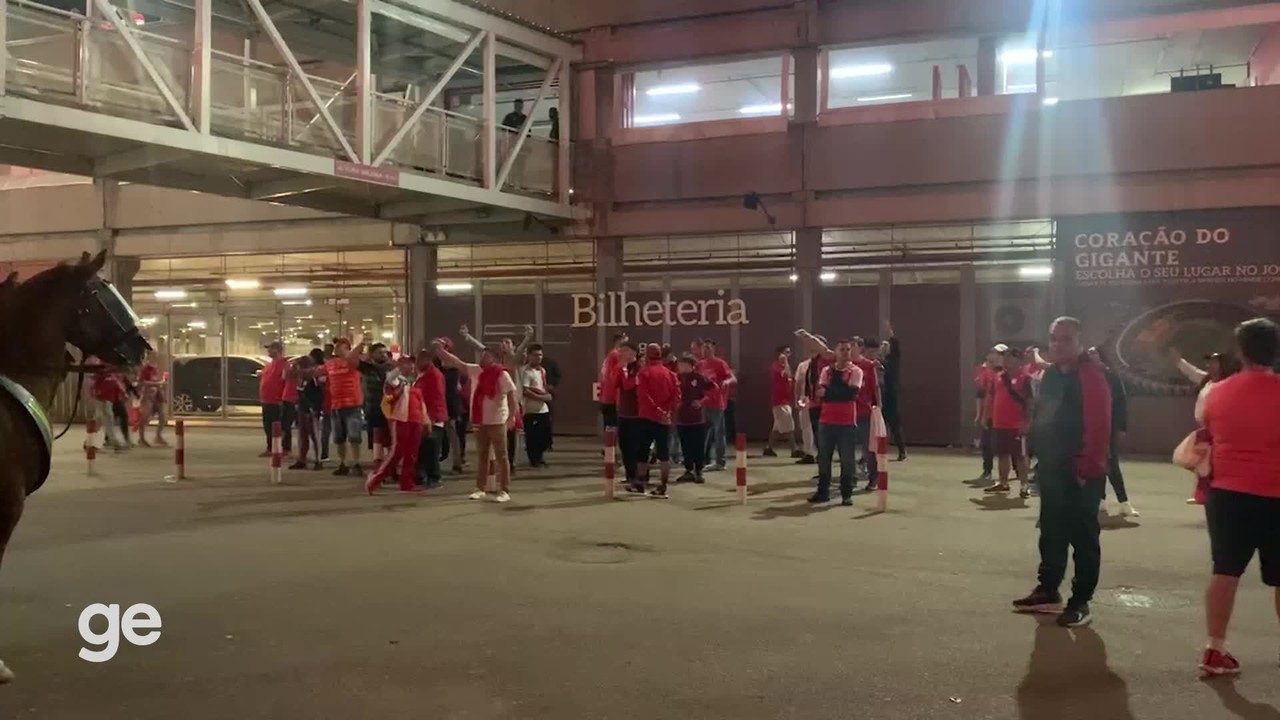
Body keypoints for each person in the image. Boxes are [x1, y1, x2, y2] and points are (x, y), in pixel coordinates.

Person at [1012, 317, 1111, 628]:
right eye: (1054, 339)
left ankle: (1081, 601)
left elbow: (1099, 424)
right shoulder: (1053, 374)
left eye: (1065, 339)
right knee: (1051, 532)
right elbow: (1044, 415)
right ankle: (1048, 590)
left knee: (1083, 537)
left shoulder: (1091, 375)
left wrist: (1087, 466)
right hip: (1052, 470)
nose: (1058, 344)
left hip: (1081, 471)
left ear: (1079, 341)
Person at [1196, 318, 1280, 677]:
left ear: (1241, 351)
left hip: (1227, 493)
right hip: (1276, 494)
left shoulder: (1217, 392)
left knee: (1225, 572)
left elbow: (1207, 430)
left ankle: (1215, 648)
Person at [433, 341, 519, 503]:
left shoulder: (501, 374)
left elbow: (512, 395)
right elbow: (456, 362)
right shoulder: (475, 370)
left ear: (493, 358)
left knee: (502, 456)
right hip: (480, 421)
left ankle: (504, 490)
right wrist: (440, 351)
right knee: (482, 456)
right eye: (482, 355)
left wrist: (511, 417)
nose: (482, 357)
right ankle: (480, 488)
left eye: (485, 355)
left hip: (497, 420)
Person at [461, 323, 532, 472]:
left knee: (513, 434)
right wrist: (467, 337)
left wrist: (528, 337)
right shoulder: (496, 361)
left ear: (512, 346)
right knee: (498, 435)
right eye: (502, 342)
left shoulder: (515, 360)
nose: (504, 345)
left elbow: (520, 351)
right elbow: (482, 349)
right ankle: (496, 463)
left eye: (507, 342)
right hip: (498, 403)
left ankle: (511, 463)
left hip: (513, 402)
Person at [1172, 349, 1236, 505]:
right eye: (1209, 362)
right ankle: (1202, 494)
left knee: (1208, 465)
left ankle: (1210, 494)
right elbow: (1191, 372)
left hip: (1218, 429)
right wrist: (1179, 361)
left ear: (1223, 365)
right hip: (1204, 428)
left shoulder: (1228, 383)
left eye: (1214, 362)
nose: (1210, 365)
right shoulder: (1206, 381)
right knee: (1197, 462)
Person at [809, 339, 863, 506]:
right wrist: (838, 392)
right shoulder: (827, 370)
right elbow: (820, 392)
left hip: (847, 422)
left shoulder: (856, 371)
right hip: (826, 420)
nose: (846, 352)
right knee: (824, 458)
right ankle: (822, 492)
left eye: (848, 349)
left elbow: (852, 394)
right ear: (836, 352)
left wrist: (830, 392)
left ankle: (846, 493)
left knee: (847, 459)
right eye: (842, 349)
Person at [364, 355, 425, 495]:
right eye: (407, 364)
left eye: (411, 364)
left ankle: (407, 483)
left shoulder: (415, 380)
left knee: (411, 454)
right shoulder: (395, 380)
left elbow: (420, 401)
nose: (410, 366)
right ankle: (375, 479)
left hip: (414, 419)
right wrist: (399, 368)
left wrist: (423, 419)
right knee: (396, 453)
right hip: (400, 419)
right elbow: (390, 378)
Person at [1089, 347, 1138, 518]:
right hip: (1091, 429)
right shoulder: (1086, 377)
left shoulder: (1111, 378)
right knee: (1097, 465)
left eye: (1094, 353)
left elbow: (1121, 404)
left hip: (1108, 428)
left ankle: (1124, 502)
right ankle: (1100, 501)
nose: (1091, 357)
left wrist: (1121, 427)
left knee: (1111, 464)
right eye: (1089, 354)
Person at [631, 344, 680, 498]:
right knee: (664, 452)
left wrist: (656, 409)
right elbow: (677, 396)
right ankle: (663, 484)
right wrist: (666, 411)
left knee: (643, 451)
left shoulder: (644, 373)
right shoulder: (671, 374)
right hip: (664, 419)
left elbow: (643, 396)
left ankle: (639, 481)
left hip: (647, 417)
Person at [984, 347, 1033, 497]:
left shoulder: (1025, 378)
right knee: (1002, 454)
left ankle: (1024, 486)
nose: (1005, 360)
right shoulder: (997, 376)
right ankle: (1003, 482)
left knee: (1020, 456)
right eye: (1004, 357)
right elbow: (990, 397)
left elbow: (1030, 401)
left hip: (1017, 424)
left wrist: (1028, 422)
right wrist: (986, 417)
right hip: (999, 423)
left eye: (1009, 357)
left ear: (1018, 360)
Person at [317, 337, 365, 477]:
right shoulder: (331, 364)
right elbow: (318, 372)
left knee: (354, 436)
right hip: (336, 406)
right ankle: (343, 463)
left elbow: (358, 355)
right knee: (339, 438)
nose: (337, 348)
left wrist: (360, 343)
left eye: (341, 346)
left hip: (352, 405)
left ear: (348, 348)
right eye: (336, 345)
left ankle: (356, 463)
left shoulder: (353, 362)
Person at [698, 340, 736, 471]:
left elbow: (732, 378)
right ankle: (703, 459)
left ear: (713, 349)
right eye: (704, 348)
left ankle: (720, 461)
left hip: (717, 402)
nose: (706, 350)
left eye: (708, 348)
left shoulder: (720, 363)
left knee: (719, 433)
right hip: (704, 403)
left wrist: (726, 382)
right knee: (703, 432)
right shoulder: (700, 364)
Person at [414, 347, 448, 489]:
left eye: (421, 358)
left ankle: (434, 476)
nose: (418, 361)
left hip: (433, 418)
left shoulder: (434, 375)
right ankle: (422, 475)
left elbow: (437, 398)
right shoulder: (421, 374)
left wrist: (431, 418)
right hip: (422, 417)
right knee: (423, 449)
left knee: (432, 449)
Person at [675, 354, 708, 484]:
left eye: (684, 365)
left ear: (691, 366)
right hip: (682, 418)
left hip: (697, 418)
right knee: (685, 445)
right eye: (680, 365)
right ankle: (688, 470)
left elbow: (712, 391)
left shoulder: (699, 378)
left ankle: (699, 470)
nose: (681, 367)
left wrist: (701, 402)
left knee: (698, 446)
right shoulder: (676, 378)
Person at [853, 337, 881, 492]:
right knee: (847, 448)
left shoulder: (868, 366)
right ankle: (850, 478)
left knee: (868, 447)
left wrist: (878, 407)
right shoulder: (843, 366)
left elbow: (875, 388)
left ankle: (873, 478)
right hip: (847, 412)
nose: (850, 350)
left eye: (853, 346)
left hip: (864, 411)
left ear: (860, 348)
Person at [975, 345, 1007, 482]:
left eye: (1000, 354)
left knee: (1005, 447)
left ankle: (1014, 473)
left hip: (1005, 416)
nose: (996, 356)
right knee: (986, 444)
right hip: (990, 415)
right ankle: (987, 471)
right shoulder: (985, 372)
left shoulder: (1010, 373)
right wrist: (980, 414)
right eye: (994, 352)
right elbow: (981, 394)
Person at [521, 344, 553, 468]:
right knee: (532, 436)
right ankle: (534, 460)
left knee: (544, 435)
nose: (538, 357)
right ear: (529, 356)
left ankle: (540, 457)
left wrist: (546, 395)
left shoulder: (541, 370)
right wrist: (541, 397)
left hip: (543, 409)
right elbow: (526, 390)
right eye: (535, 355)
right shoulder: (526, 371)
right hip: (531, 409)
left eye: (540, 355)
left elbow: (542, 387)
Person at [291, 352, 324, 471]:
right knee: (302, 435)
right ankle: (302, 459)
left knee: (314, 435)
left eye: (301, 368)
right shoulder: (301, 379)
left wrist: (315, 408)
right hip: (302, 408)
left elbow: (318, 395)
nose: (299, 371)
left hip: (311, 409)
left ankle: (318, 460)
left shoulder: (314, 379)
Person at [359, 343, 393, 459]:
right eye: (379, 352)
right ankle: (378, 459)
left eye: (385, 352)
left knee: (389, 436)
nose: (383, 355)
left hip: (390, 408)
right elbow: (351, 360)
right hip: (373, 407)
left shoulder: (392, 368)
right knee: (375, 434)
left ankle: (389, 460)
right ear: (372, 354)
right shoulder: (367, 368)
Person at [615, 342, 642, 485]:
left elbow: (629, 385)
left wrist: (624, 369)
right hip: (623, 413)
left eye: (625, 351)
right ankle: (629, 475)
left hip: (636, 414)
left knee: (635, 447)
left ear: (633, 352)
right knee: (624, 446)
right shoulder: (623, 368)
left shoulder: (639, 368)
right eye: (621, 351)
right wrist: (619, 370)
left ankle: (638, 476)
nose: (622, 354)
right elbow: (615, 384)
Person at [764, 345, 799, 458]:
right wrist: (785, 363)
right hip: (779, 401)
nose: (788, 355)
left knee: (777, 427)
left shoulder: (785, 366)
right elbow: (784, 375)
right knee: (789, 425)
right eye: (786, 352)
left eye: (789, 353)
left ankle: (768, 448)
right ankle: (794, 449)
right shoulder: (776, 366)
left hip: (785, 400)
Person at [258, 340, 289, 458]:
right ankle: (270, 448)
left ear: (277, 350)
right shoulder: (269, 364)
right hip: (266, 400)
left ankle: (282, 448)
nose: (268, 351)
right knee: (268, 426)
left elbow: (286, 382)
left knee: (279, 427)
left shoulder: (284, 364)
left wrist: (282, 398)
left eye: (270, 349)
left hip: (277, 401)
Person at [881, 321, 906, 461]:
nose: (884, 348)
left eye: (887, 346)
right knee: (878, 426)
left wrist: (890, 333)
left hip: (891, 395)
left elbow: (895, 346)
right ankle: (874, 452)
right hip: (881, 397)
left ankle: (902, 450)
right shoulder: (879, 361)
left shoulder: (893, 360)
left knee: (894, 424)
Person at [599, 333, 627, 449]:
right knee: (613, 424)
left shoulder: (609, 356)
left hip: (606, 396)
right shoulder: (617, 356)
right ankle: (610, 449)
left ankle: (609, 449)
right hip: (613, 397)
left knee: (610, 425)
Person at [135, 349, 168, 447]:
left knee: (162, 416)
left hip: (156, 395)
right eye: (153, 355)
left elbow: (157, 380)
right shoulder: (145, 369)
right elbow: (141, 382)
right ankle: (141, 438)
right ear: (148, 356)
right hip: (147, 395)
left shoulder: (155, 368)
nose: (155, 357)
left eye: (156, 355)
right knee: (145, 417)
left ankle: (158, 436)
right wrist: (156, 383)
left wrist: (161, 386)